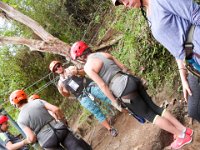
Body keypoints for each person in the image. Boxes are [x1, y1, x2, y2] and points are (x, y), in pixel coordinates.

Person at [70, 41, 193, 149]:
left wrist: (114, 102)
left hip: (122, 89)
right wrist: (138, 78)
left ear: (80, 56)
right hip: (131, 80)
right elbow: (123, 67)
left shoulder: (87, 67)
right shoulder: (103, 54)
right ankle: (184, 130)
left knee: (150, 116)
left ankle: (182, 136)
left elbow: (103, 85)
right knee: (156, 108)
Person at [111, 0, 200, 124]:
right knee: (195, 109)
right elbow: (176, 48)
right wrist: (183, 78)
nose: (125, 4)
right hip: (191, 59)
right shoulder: (148, 13)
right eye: (121, 3)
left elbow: (196, 14)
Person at [49, 60, 119, 137]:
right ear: (55, 72)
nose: (58, 68)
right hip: (81, 96)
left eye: (58, 66)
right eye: (55, 69)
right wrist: (63, 92)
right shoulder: (60, 83)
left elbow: (84, 72)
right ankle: (110, 129)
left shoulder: (71, 68)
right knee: (96, 111)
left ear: (61, 65)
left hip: (88, 85)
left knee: (106, 97)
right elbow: (67, 95)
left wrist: (77, 72)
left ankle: (124, 107)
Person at [9, 90, 92, 150]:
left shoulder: (20, 119)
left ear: (15, 105)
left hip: (46, 140)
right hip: (60, 129)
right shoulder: (37, 102)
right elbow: (56, 110)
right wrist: (62, 121)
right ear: (25, 97)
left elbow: (32, 138)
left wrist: (26, 141)